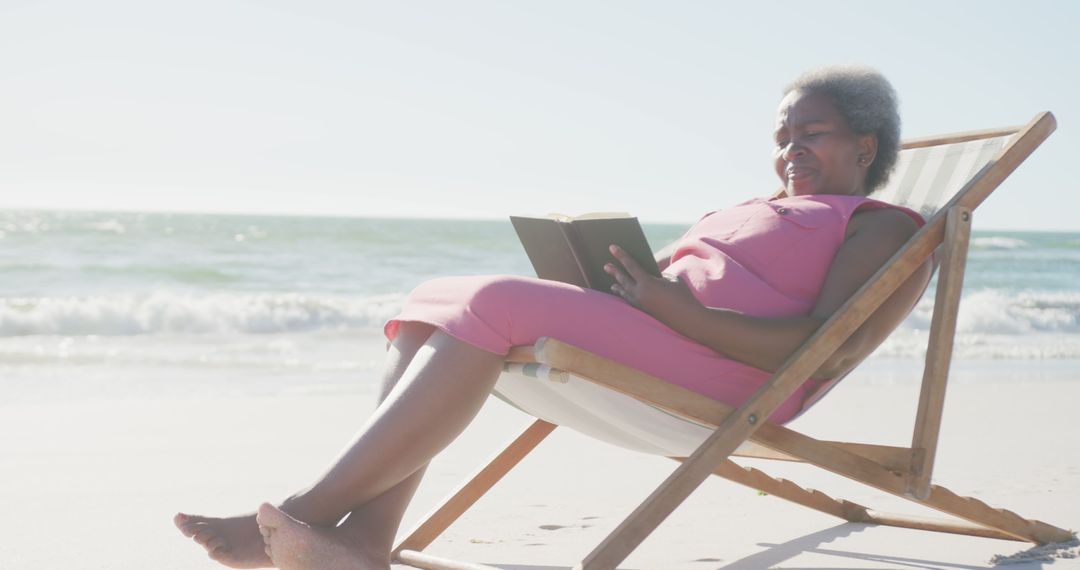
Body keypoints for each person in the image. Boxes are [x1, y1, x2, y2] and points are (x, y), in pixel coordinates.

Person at [175, 65, 932, 570]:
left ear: (866, 146)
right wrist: (620, 284)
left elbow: (817, 347)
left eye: (812, 134)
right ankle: (366, 541)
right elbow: (676, 289)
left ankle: (304, 514)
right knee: (425, 307)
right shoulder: (766, 207)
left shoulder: (882, 225)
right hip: (664, 336)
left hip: (740, 375)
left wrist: (669, 305)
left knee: (491, 302)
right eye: (782, 138)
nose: (790, 150)